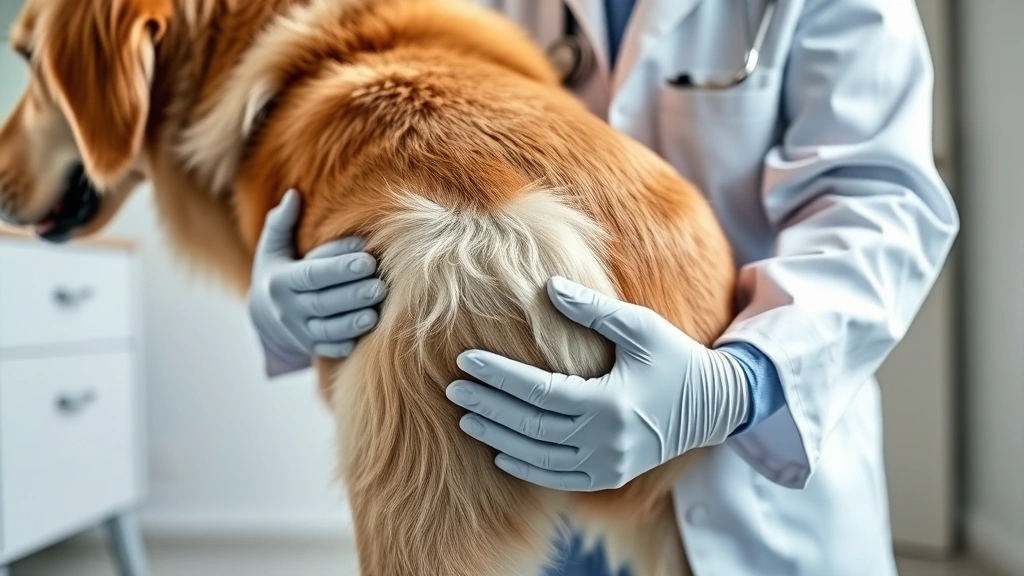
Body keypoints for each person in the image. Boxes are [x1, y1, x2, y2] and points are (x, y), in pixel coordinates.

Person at [246, 0, 960, 574]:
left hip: (743, 479)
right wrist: (290, 260)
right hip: (523, 463)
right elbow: (385, 101)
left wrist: (738, 387)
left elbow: (878, 204)